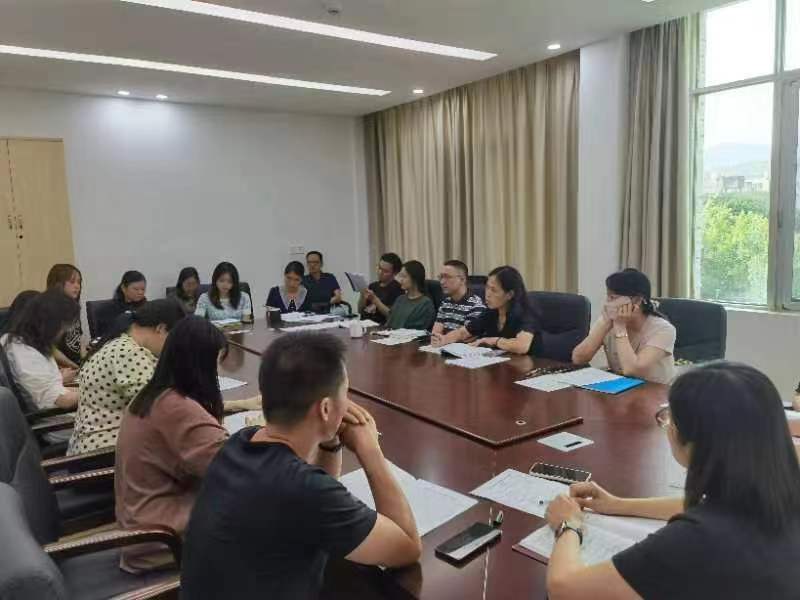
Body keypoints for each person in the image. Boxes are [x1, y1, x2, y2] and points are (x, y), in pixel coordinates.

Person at [181, 332, 422, 599]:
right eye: (345, 393)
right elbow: (407, 548)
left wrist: (330, 442)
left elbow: (318, 495)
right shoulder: (304, 490)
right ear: (325, 409)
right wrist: (371, 451)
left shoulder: (239, 443)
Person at [543, 362, 800, 599]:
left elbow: (564, 589)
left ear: (693, 441)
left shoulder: (696, 539)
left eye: (669, 419)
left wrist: (568, 525)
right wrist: (618, 504)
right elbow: (706, 506)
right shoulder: (778, 490)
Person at [115, 316, 230, 573]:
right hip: (163, 540)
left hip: (142, 525)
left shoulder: (156, 394)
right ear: (199, 365)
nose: (218, 374)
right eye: (215, 365)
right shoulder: (176, 408)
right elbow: (236, 468)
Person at [67, 299, 185, 456]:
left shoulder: (120, 343)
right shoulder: (129, 353)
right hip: (105, 452)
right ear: (161, 329)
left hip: (98, 446)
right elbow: (159, 407)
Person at [572, 268, 676, 384]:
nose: (607, 303)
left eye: (613, 298)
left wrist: (620, 327)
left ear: (637, 300)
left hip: (654, 390)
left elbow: (632, 370)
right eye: (607, 297)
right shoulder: (609, 320)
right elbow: (578, 358)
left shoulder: (663, 330)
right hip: (621, 388)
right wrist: (604, 325)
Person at [0, 290, 80, 411]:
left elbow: (54, 390)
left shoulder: (21, 342)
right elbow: (62, 400)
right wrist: (98, 392)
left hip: (54, 407)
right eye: (63, 327)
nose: (63, 332)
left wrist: (89, 389)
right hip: (50, 416)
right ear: (52, 323)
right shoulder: (26, 353)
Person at [439, 265, 541, 355]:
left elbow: (522, 346)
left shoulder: (526, 312)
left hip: (533, 365)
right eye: (487, 287)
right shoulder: (492, 311)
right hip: (504, 363)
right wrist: (444, 339)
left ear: (509, 294)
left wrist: (493, 341)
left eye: (494, 290)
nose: (487, 294)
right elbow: (464, 332)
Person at [430, 260, 486, 347]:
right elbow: (436, 332)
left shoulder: (475, 305)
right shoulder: (445, 302)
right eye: (441, 277)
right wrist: (436, 338)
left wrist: (444, 339)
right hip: (443, 348)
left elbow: (467, 337)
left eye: (447, 277)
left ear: (462, 280)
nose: (442, 282)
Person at [46, 264, 84, 368]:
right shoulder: (48, 310)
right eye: (72, 282)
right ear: (57, 284)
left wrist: (85, 360)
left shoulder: (74, 307)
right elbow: (50, 349)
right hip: (60, 368)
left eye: (79, 282)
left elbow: (79, 337)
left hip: (76, 365)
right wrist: (74, 366)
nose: (77, 286)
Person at [95, 270, 148, 339]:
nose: (140, 292)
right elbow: (107, 335)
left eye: (143, 289)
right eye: (136, 289)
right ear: (123, 288)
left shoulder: (146, 307)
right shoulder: (108, 309)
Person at [385, 260, 436, 330]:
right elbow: (389, 322)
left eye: (404, 276)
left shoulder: (426, 304)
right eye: (400, 276)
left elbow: (419, 330)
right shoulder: (400, 299)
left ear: (414, 278)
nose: (400, 280)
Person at [357, 252, 404, 325]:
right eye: (379, 268)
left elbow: (392, 316)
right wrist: (362, 295)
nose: (380, 272)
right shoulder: (373, 286)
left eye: (385, 271)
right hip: (363, 324)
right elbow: (360, 311)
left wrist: (375, 300)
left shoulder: (398, 289)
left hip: (380, 327)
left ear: (395, 273)